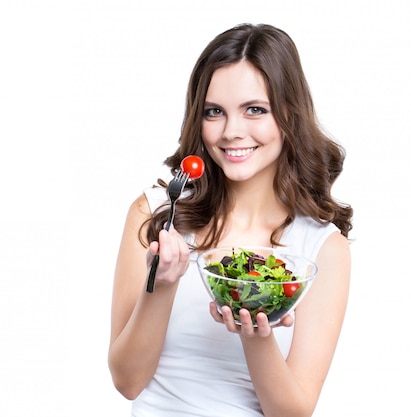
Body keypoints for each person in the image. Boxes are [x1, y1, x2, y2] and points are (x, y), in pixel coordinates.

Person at [108, 23, 353, 417]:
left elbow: (292, 413)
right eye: (214, 112)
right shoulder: (156, 214)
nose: (231, 132)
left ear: (289, 114)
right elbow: (127, 381)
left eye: (255, 109)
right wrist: (163, 284)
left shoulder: (321, 247)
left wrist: (256, 336)